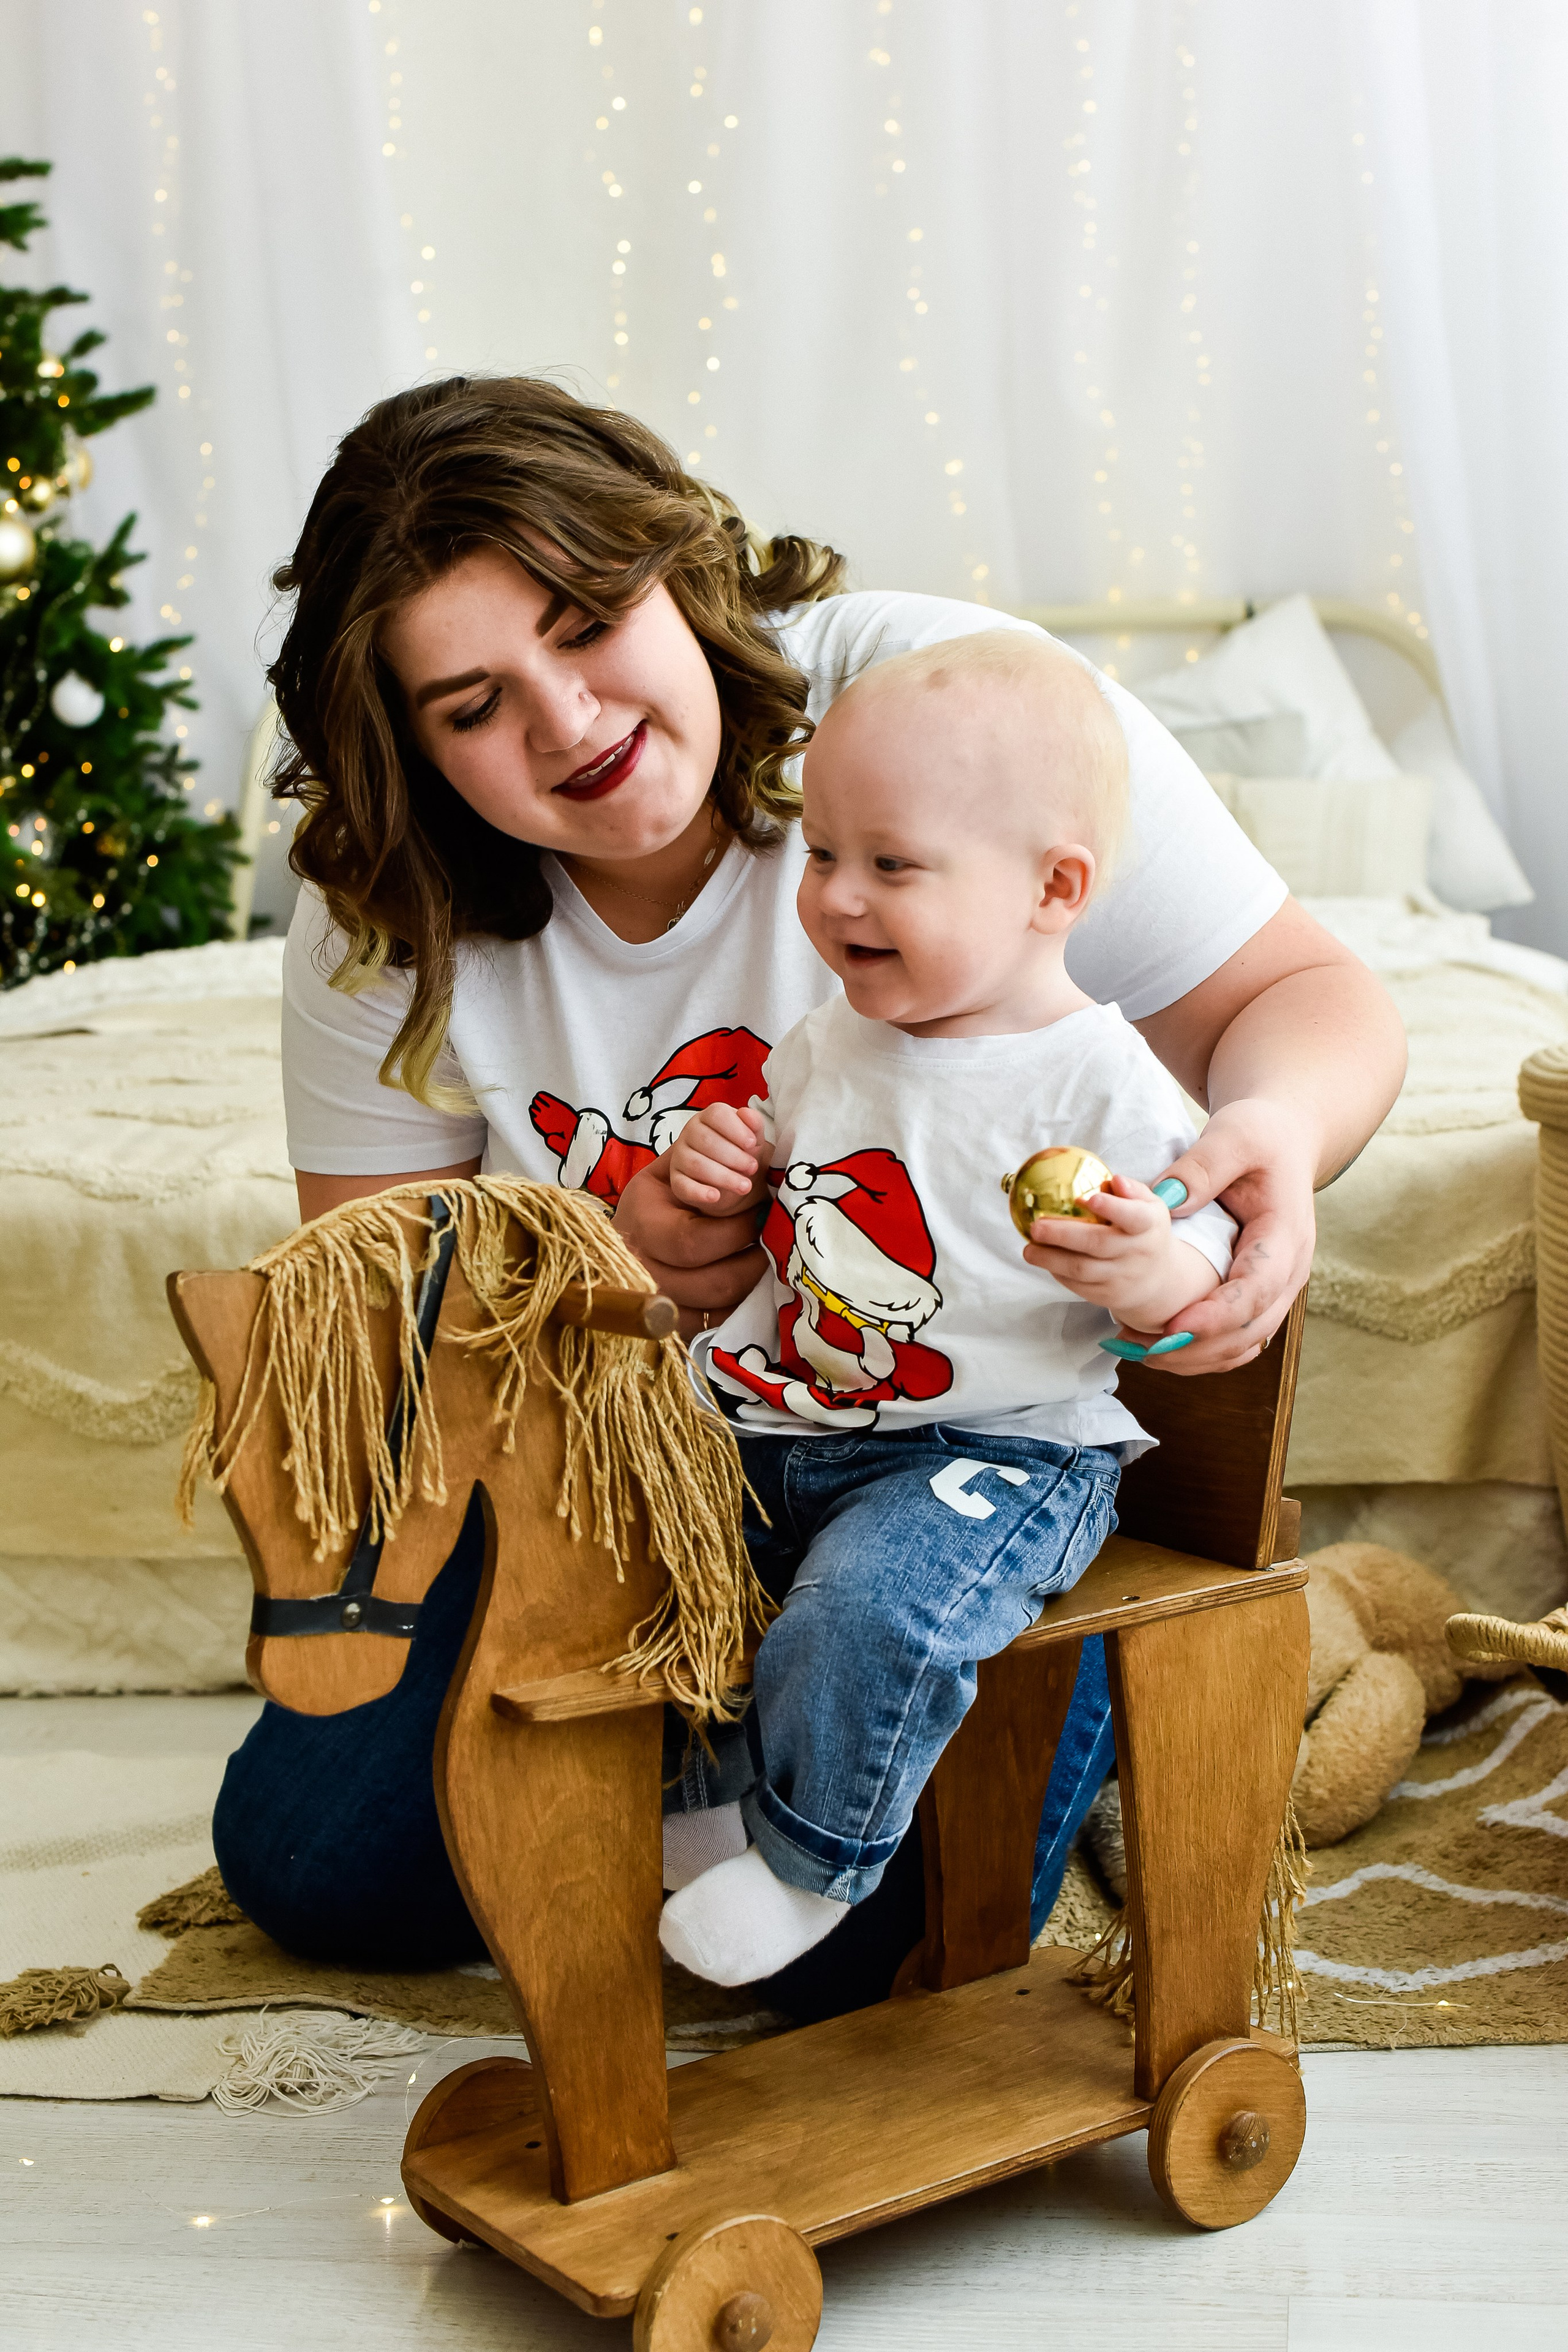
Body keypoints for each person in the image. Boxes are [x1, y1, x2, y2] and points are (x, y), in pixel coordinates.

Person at [211, 375, 1404, 2020]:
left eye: (586, 620)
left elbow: (1308, 997)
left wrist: (1270, 1127)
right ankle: (726, 1764)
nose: (569, 721)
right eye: (475, 704)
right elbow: (379, 1346)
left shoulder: (939, 715)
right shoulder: (386, 907)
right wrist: (608, 1271)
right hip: (659, 1466)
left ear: (676, 564)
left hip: (950, 1456)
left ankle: (810, 1741)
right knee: (312, 1862)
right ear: (405, 747)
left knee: (860, 1952)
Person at [655, 631, 1238, 1986]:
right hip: (787, 1424)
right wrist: (720, 1175)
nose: (835, 897)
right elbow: (770, 1222)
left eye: (890, 864)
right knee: (645, 1547)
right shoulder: (827, 1042)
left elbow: (1205, 1255)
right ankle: (699, 1810)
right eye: (819, 854)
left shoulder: (1099, 1076)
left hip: (997, 1450)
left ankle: (808, 1862)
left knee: (867, 1607)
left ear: (1054, 887)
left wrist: (1154, 1269)